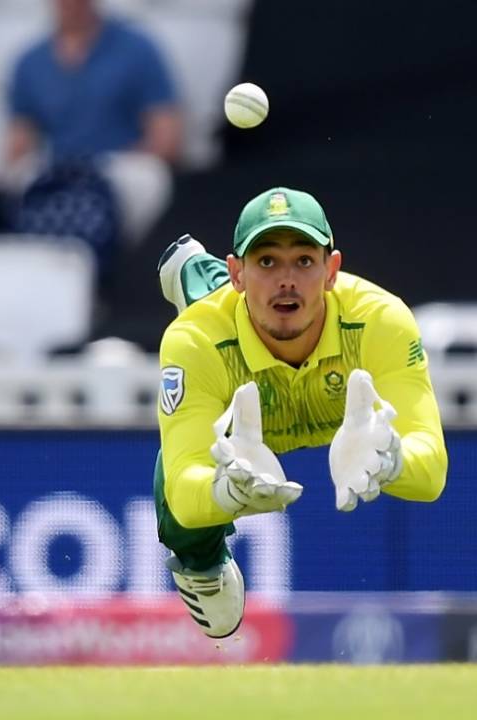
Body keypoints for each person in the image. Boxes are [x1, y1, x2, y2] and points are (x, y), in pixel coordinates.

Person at [153, 187, 448, 637]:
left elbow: (431, 475)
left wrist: (393, 461)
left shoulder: (381, 320)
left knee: (238, 304)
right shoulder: (193, 340)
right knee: (172, 475)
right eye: (266, 261)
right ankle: (201, 563)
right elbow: (183, 490)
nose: (286, 280)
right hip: (241, 415)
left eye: (304, 262)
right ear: (239, 272)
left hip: (335, 410)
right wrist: (225, 494)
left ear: (332, 271)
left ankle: (200, 271)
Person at [3, 0, 181, 245]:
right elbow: (19, 144)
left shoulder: (137, 49)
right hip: (58, 171)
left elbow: (166, 136)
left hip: (120, 168)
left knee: (147, 177)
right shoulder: (30, 61)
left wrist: (101, 171)